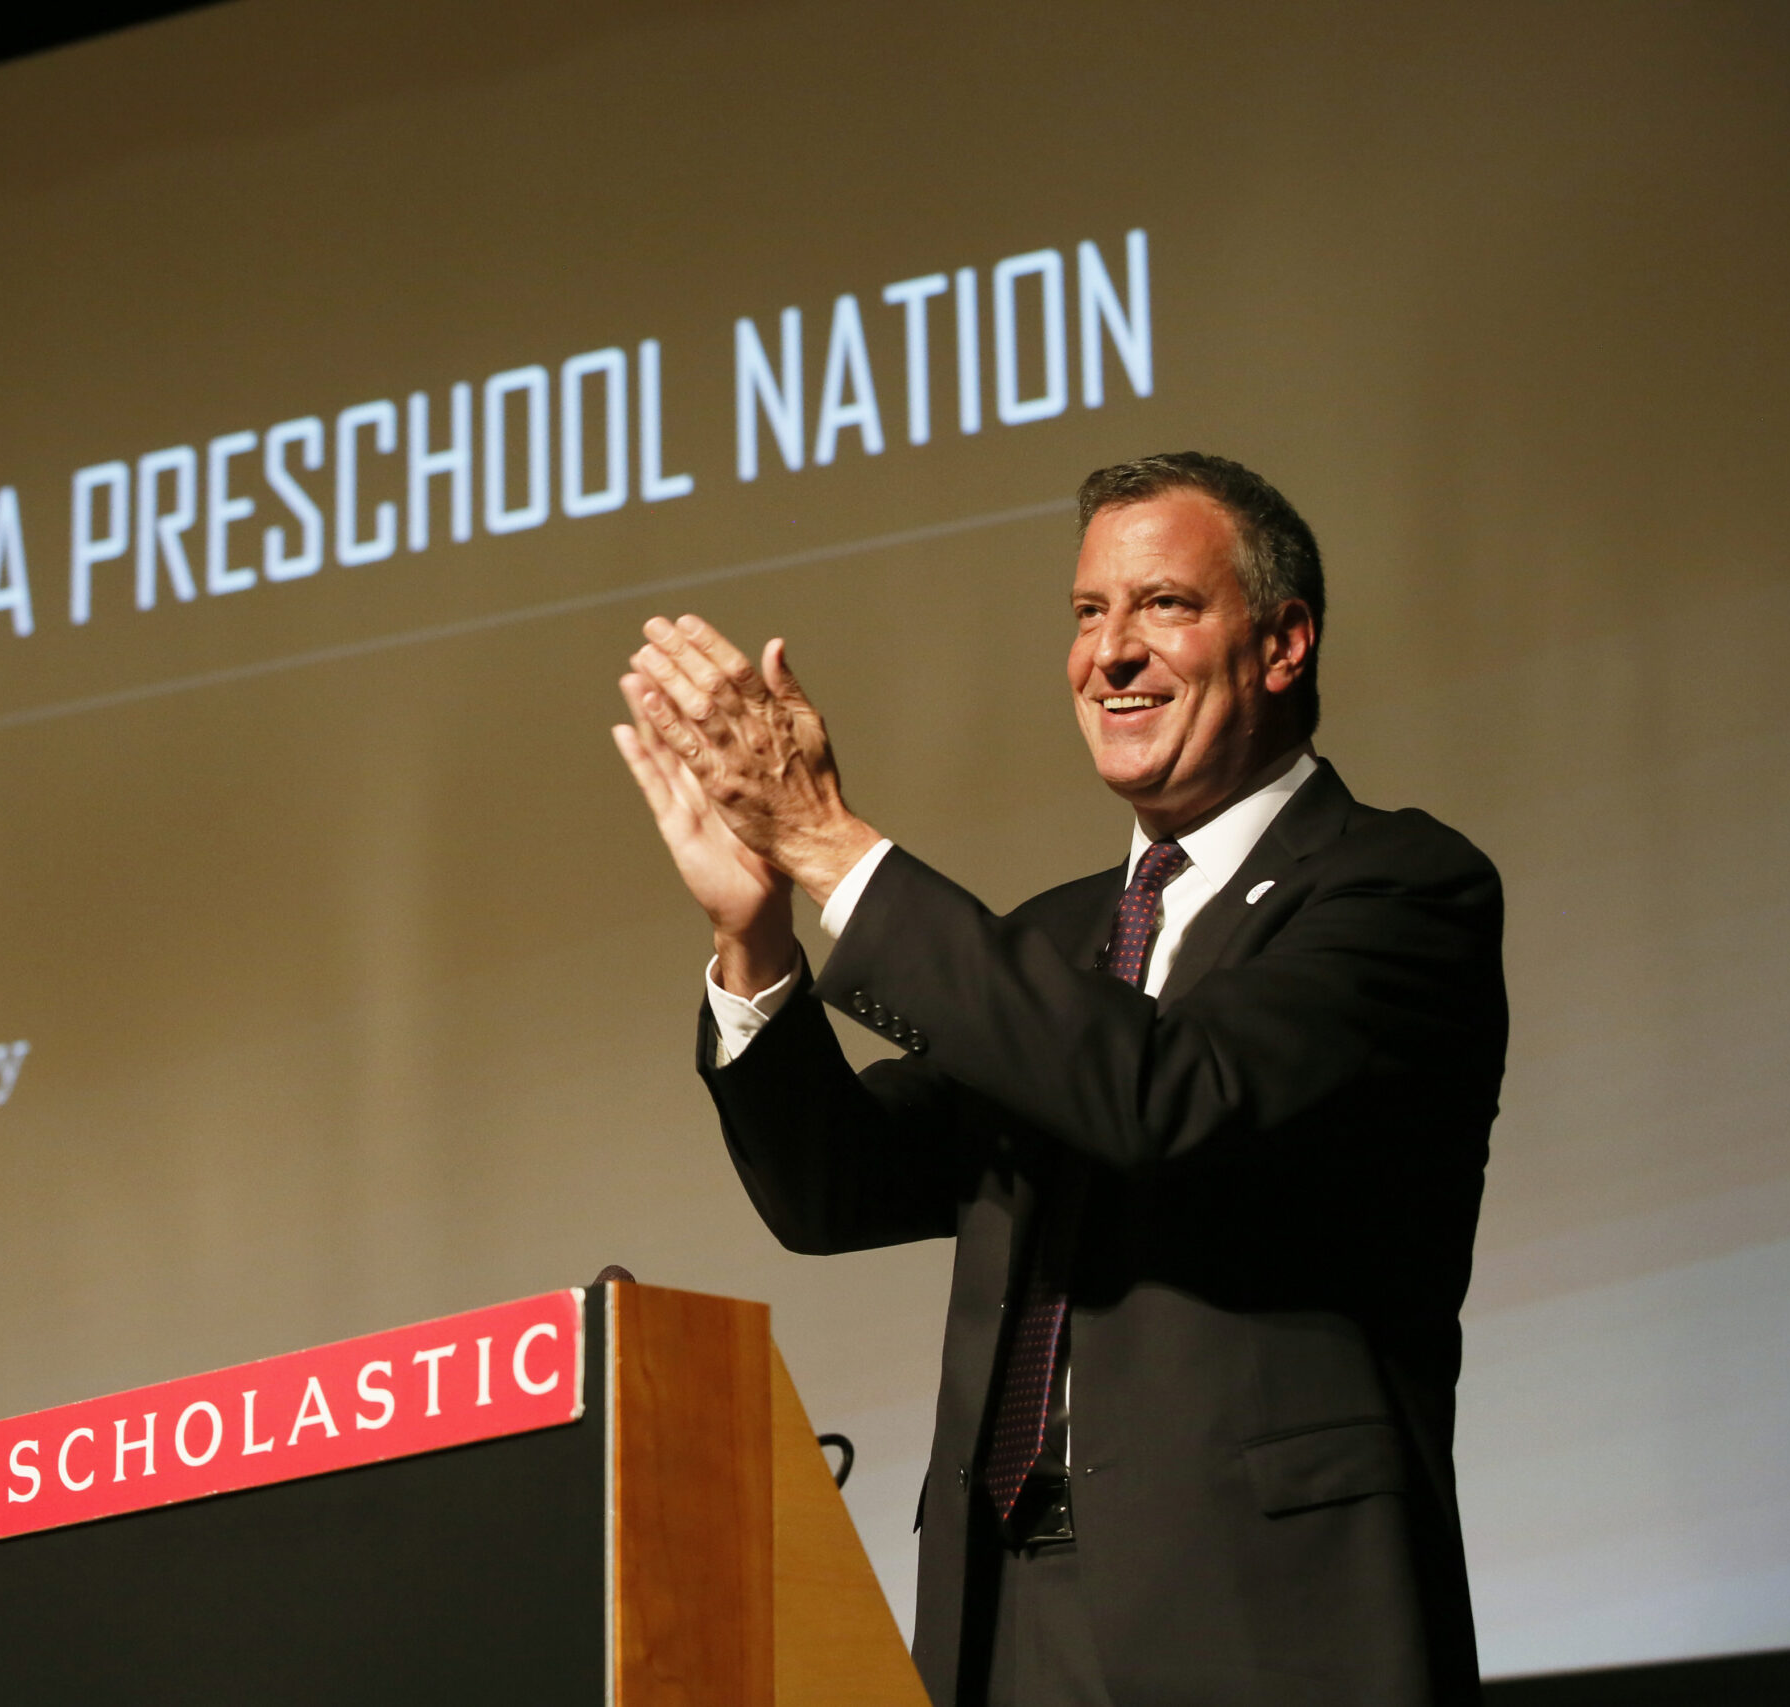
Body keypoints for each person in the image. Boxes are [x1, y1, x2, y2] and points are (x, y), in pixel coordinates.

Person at [612, 453, 1505, 1707]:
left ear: (1284, 643)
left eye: (1164, 605)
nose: (1110, 654)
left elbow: (1164, 1095)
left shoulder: (1395, 890)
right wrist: (754, 941)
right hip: (1003, 1619)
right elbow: (837, 1189)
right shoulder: (1051, 941)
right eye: (1089, 612)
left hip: (1259, 1618)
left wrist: (830, 845)